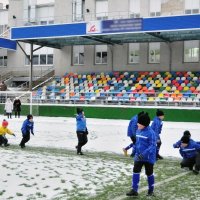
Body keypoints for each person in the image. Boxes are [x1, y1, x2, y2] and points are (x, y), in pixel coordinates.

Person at [126, 112, 157, 197]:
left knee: (149, 173)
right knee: (135, 170)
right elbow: (137, 143)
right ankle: (134, 190)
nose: (137, 124)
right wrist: (134, 151)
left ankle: (151, 191)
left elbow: (152, 146)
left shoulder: (151, 133)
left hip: (148, 158)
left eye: (139, 123)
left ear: (145, 124)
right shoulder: (138, 130)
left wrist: (143, 154)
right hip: (138, 156)